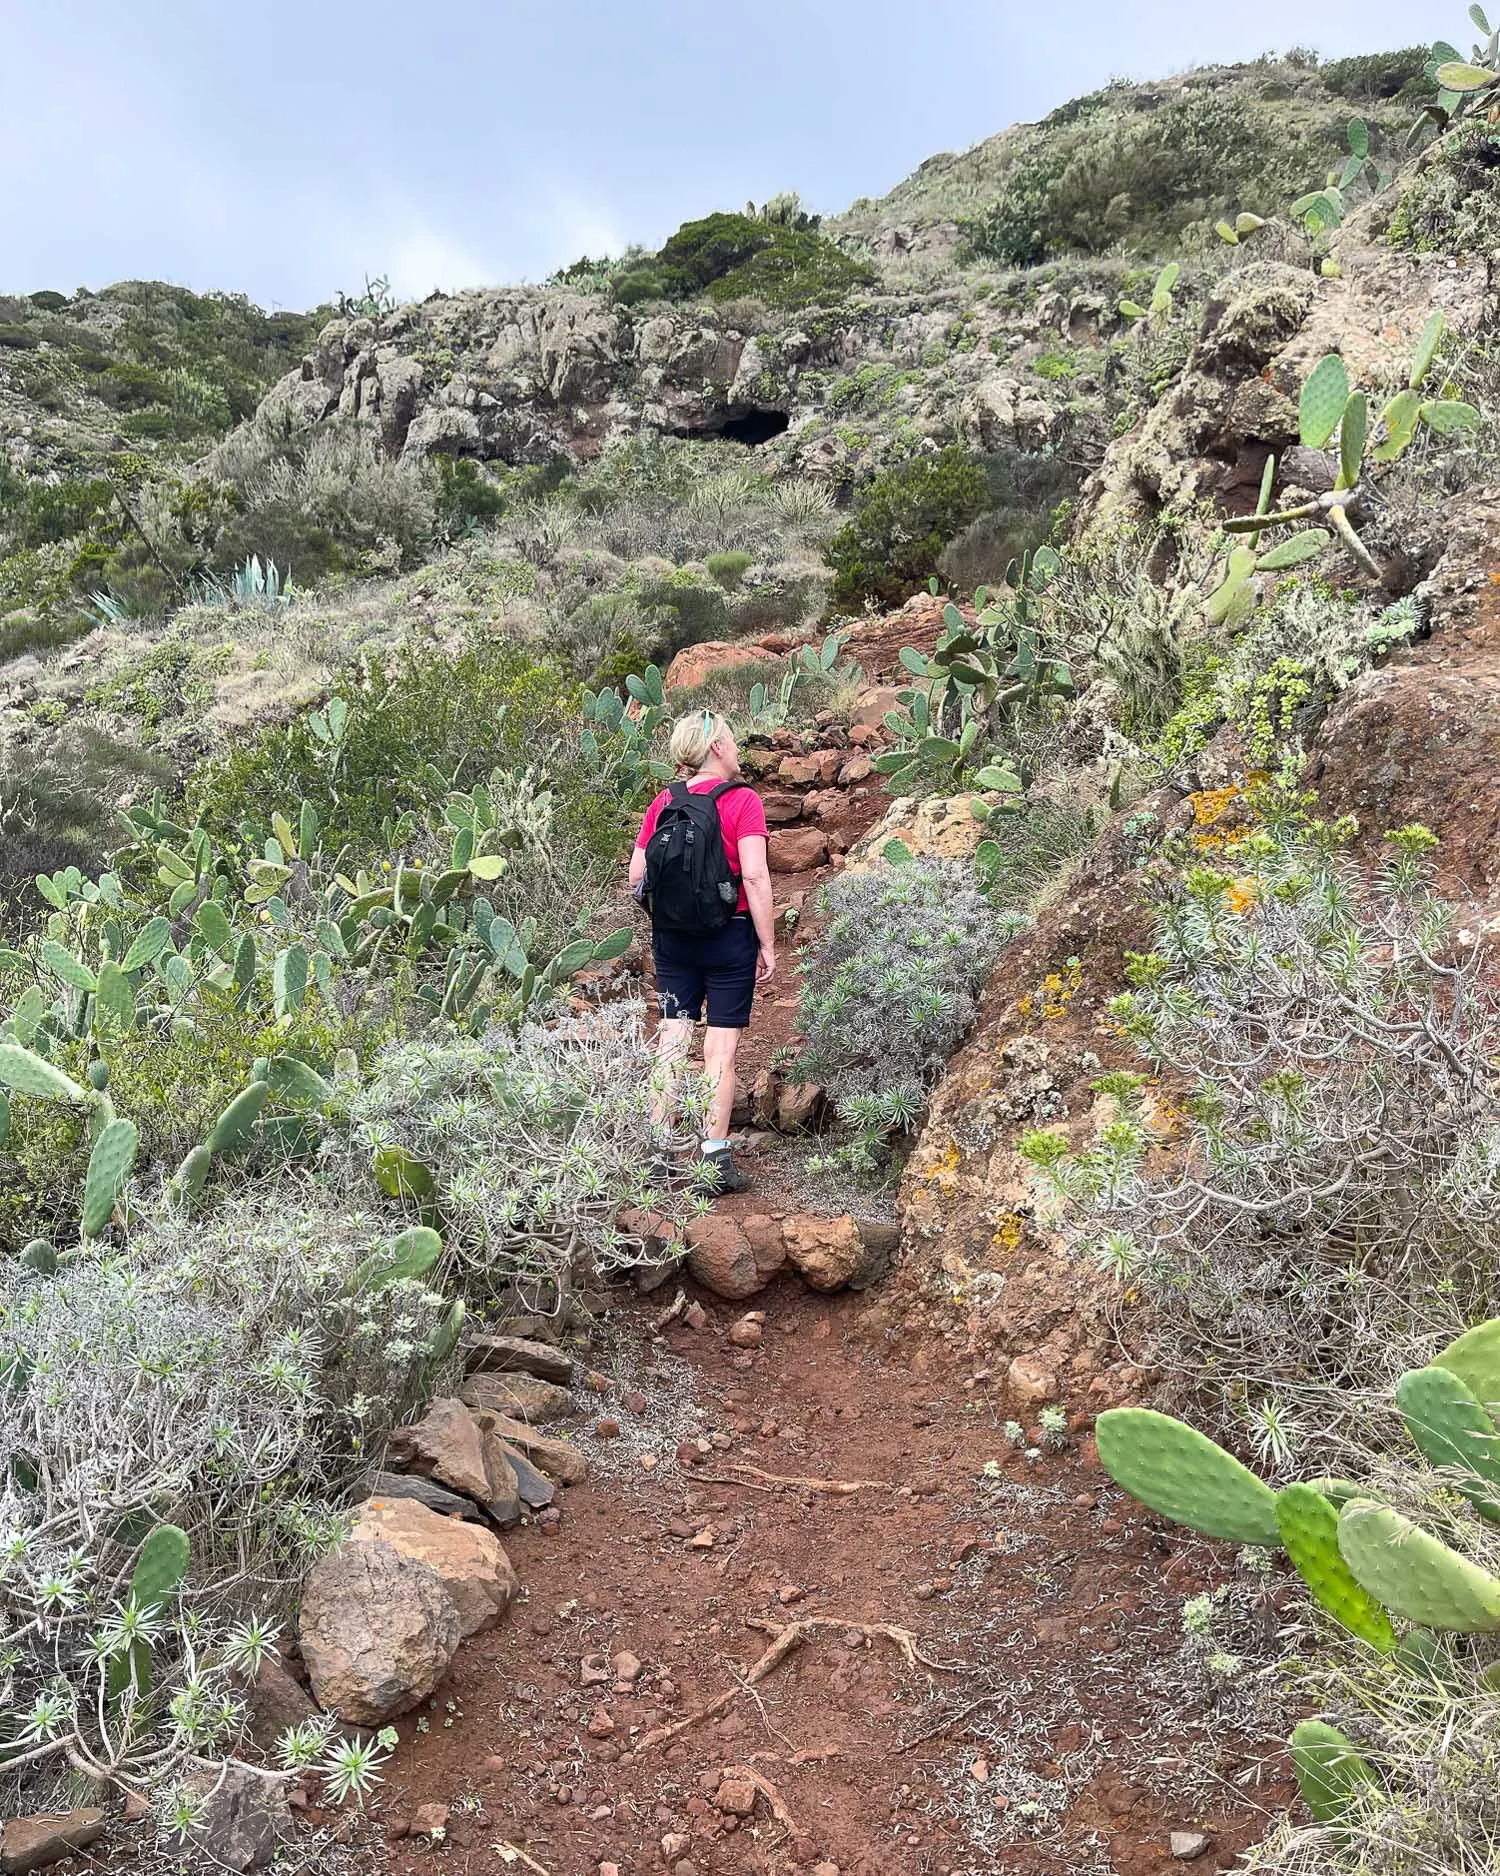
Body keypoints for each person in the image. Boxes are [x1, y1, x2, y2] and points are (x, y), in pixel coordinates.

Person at [629, 710, 775, 1194]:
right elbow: (753, 876)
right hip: (729, 936)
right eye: (731, 741)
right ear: (716, 747)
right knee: (720, 1050)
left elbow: (636, 877)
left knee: (672, 1039)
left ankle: (653, 1151)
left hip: (673, 940)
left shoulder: (663, 802)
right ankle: (712, 1162)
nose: (737, 749)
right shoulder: (744, 801)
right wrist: (767, 943)